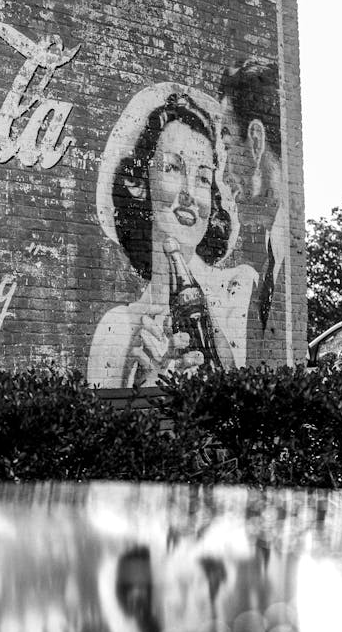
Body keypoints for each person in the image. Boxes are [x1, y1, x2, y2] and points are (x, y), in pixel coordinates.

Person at [88, 84, 253, 388]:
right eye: (173, 168)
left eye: (203, 177)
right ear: (141, 183)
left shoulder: (240, 292)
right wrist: (151, 382)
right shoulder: (118, 329)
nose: (190, 192)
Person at [218, 59, 286, 364]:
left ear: (256, 141)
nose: (223, 173)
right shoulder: (271, 257)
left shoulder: (282, 261)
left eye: (228, 146)